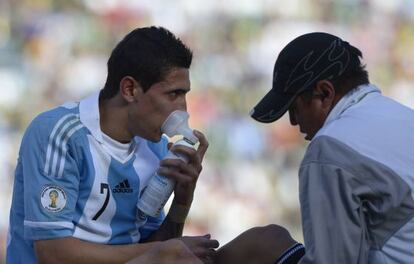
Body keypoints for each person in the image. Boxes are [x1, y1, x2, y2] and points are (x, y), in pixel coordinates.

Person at [6, 26, 219, 263]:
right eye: (173, 94)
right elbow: (52, 254)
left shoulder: (156, 148)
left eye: (185, 95)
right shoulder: (59, 134)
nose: (183, 109)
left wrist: (182, 200)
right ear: (130, 89)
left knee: (262, 241)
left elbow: (154, 246)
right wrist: (167, 251)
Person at [250, 32, 414, 263]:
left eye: (294, 109)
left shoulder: (329, 149)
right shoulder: (403, 116)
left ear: (325, 93)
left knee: (259, 245)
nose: (293, 122)